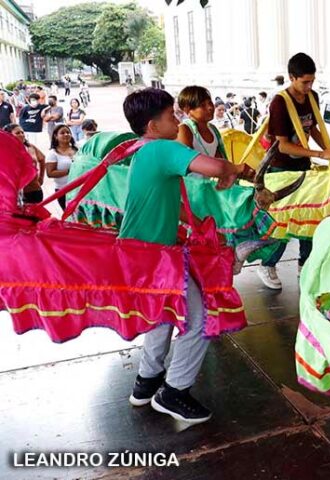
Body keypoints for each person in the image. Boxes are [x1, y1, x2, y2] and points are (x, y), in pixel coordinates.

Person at [122, 88, 243, 424]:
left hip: (143, 253)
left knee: (162, 314)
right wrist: (236, 168)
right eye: (171, 116)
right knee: (198, 319)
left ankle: (146, 383)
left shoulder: (144, 151)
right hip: (150, 256)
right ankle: (174, 392)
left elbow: (167, 201)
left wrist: (194, 224)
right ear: (152, 125)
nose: (177, 121)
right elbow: (214, 166)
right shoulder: (161, 149)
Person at [259, 53, 330, 290]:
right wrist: (317, 154)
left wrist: (328, 148)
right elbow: (281, 144)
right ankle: (268, 263)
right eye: (304, 82)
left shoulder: (312, 97)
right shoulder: (280, 102)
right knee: (282, 221)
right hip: (281, 168)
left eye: (312, 81)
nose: (309, 87)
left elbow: (312, 127)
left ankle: (306, 263)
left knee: (310, 216)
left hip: (303, 167)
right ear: (292, 77)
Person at [176, 86, 228, 169]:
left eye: (210, 103)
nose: (210, 108)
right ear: (187, 110)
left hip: (209, 181)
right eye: (202, 105)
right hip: (192, 182)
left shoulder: (213, 129)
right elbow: (187, 164)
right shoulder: (184, 130)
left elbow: (219, 161)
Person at [3, 123, 46, 204]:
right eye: (18, 133)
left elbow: (42, 158)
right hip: (14, 195)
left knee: (37, 215)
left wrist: (41, 177)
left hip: (34, 190)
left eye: (22, 132)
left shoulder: (30, 147)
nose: (22, 135)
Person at [45, 124, 77, 210]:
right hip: (63, 190)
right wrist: (70, 171)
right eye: (62, 133)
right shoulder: (52, 153)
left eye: (68, 132)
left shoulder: (78, 149)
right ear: (56, 136)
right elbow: (50, 173)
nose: (66, 134)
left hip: (79, 189)